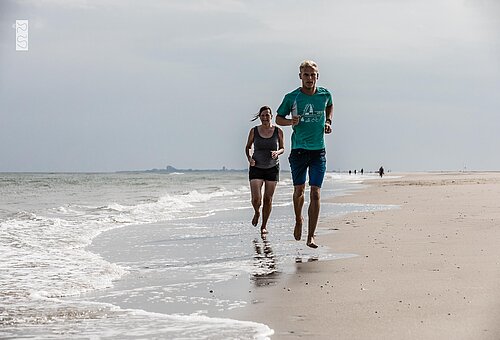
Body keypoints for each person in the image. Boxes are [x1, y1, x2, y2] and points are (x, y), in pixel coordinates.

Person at [276, 60, 333, 248]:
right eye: (306, 75)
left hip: (318, 151)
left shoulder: (325, 94)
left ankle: (311, 235)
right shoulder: (292, 97)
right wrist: (291, 122)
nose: (310, 78)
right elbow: (278, 118)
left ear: (318, 76)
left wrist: (328, 121)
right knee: (299, 190)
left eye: (313, 74)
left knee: (315, 193)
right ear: (300, 76)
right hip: (299, 150)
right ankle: (298, 219)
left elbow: (330, 105)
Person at [245, 106, 285, 235]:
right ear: (259, 117)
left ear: (271, 116)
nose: (265, 117)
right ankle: (257, 212)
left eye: (267, 115)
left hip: (272, 167)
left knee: (268, 199)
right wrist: (250, 158)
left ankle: (264, 225)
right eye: (262, 115)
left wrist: (277, 153)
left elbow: (283, 148)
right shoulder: (254, 131)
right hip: (256, 166)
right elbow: (248, 147)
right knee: (256, 198)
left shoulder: (278, 131)